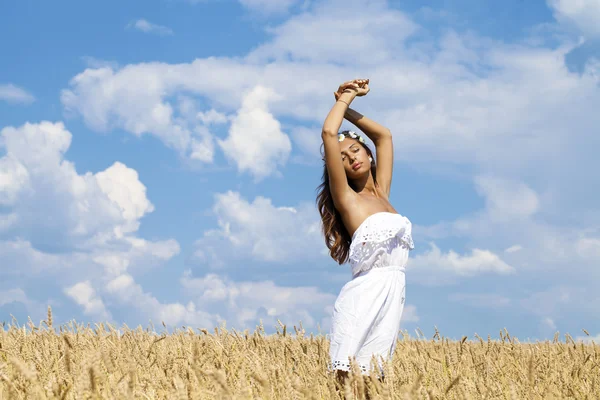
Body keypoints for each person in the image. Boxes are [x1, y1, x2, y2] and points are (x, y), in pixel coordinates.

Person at [316, 79, 415, 386]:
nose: (352, 158)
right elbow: (328, 133)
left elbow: (383, 136)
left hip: (393, 292)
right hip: (365, 293)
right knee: (346, 376)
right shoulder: (348, 200)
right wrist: (343, 99)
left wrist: (349, 111)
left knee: (373, 380)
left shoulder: (383, 194)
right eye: (343, 159)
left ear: (369, 155)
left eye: (356, 150)